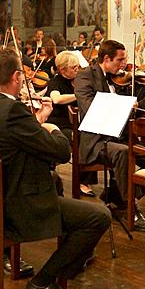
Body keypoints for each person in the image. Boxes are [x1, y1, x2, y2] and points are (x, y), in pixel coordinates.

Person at [0, 49, 110, 289]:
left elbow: (17, 138)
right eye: (21, 76)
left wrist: (37, 122)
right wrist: (52, 127)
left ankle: (70, 256)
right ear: (15, 77)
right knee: (97, 217)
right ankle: (44, 281)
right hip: (14, 205)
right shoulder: (12, 110)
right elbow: (60, 150)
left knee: (56, 186)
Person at [74, 40, 145, 232]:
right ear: (106, 59)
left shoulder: (119, 79)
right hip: (98, 140)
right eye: (120, 59)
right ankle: (129, 207)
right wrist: (121, 104)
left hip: (120, 137)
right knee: (124, 153)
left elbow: (138, 110)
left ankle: (115, 194)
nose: (124, 64)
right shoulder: (85, 76)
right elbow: (90, 108)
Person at [45, 51, 87, 194]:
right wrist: (77, 95)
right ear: (62, 70)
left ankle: (85, 179)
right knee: (80, 138)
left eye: (78, 67)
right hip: (58, 124)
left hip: (74, 123)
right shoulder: (55, 82)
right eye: (74, 67)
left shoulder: (75, 81)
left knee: (90, 136)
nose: (77, 70)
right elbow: (56, 99)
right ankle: (80, 180)